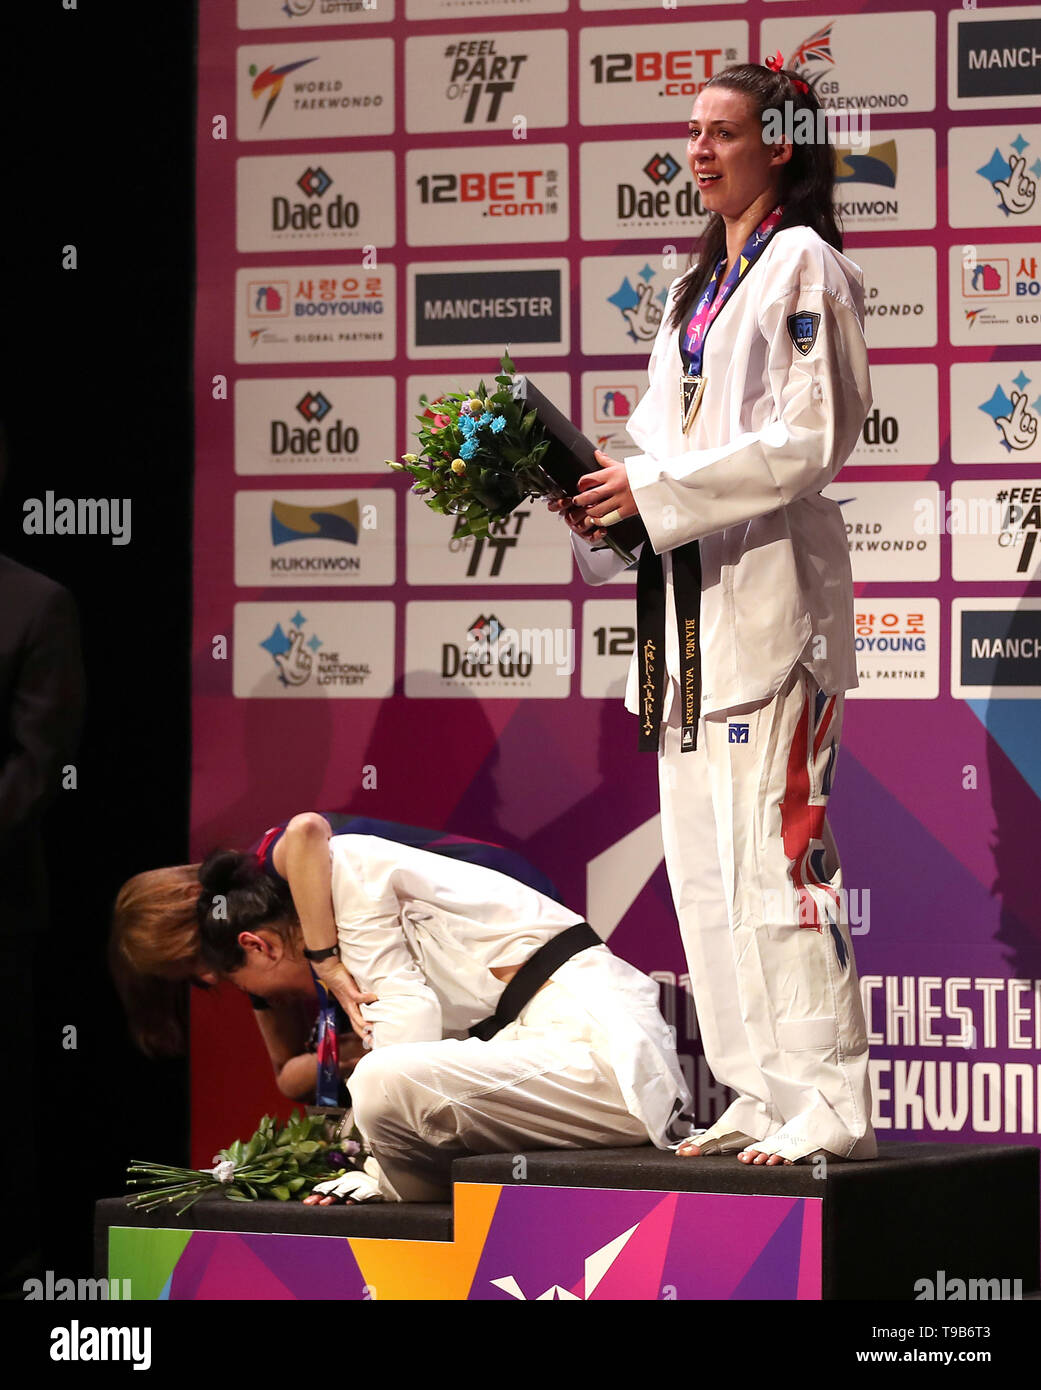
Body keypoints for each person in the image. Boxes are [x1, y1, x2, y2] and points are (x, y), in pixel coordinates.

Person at [553, 58, 876, 1167]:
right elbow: (656, 445)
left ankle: (829, 1096)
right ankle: (756, 1087)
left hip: (773, 614)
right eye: (691, 133)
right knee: (704, 868)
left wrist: (655, 492)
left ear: (776, 144)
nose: (695, 152)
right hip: (686, 625)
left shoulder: (804, 265)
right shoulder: (694, 294)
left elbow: (807, 438)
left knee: (778, 860)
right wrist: (604, 493)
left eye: (719, 133)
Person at [196, 830, 695, 1202]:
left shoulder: (346, 868)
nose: (271, 1002)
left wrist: (365, 1149)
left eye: (247, 987)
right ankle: (393, 1186)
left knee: (380, 1079)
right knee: (393, 1094)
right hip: (550, 1062)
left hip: (604, 1063)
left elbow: (407, 1021)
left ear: (256, 945)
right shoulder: (346, 909)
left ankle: (389, 1183)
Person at [110, 811, 565, 1104]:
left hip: (495, 909)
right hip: (448, 970)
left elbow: (308, 830)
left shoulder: (264, 872)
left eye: (192, 959)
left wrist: (324, 960)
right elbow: (287, 1075)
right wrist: (337, 1055)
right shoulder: (243, 957)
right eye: (191, 978)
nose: (208, 975)